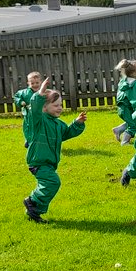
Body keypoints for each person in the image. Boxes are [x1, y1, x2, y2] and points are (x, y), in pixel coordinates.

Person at [23, 78, 87, 223]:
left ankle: (34, 211)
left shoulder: (58, 124)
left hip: (50, 163)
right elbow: (34, 107)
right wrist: (40, 92)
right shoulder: (38, 121)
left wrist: (77, 123)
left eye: (61, 105)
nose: (60, 108)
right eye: (55, 105)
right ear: (44, 107)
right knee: (53, 182)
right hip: (38, 161)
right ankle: (32, 201)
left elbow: (67, 133)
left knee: (50, 184)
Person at [111, 59, 136, 146]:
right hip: (127, 108)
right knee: (134, 125)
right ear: (133, 73)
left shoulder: (123, 82)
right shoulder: (133, 84)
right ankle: (125, 142)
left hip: (122, 108)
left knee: (133, 121)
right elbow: (134, 98)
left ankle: (118, 130)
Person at [13, 72, 46, 148]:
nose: (35, 85)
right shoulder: (23, 93)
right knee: (28, 128)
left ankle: (41, 141)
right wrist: (21, 102)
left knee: (41, 127)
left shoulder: (43, 92)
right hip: (29, 116)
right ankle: (28, 140)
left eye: (37, 83)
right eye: (32, 83)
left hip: (41, 115)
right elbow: (16, 97)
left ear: (40, 82)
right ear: (28, 83)